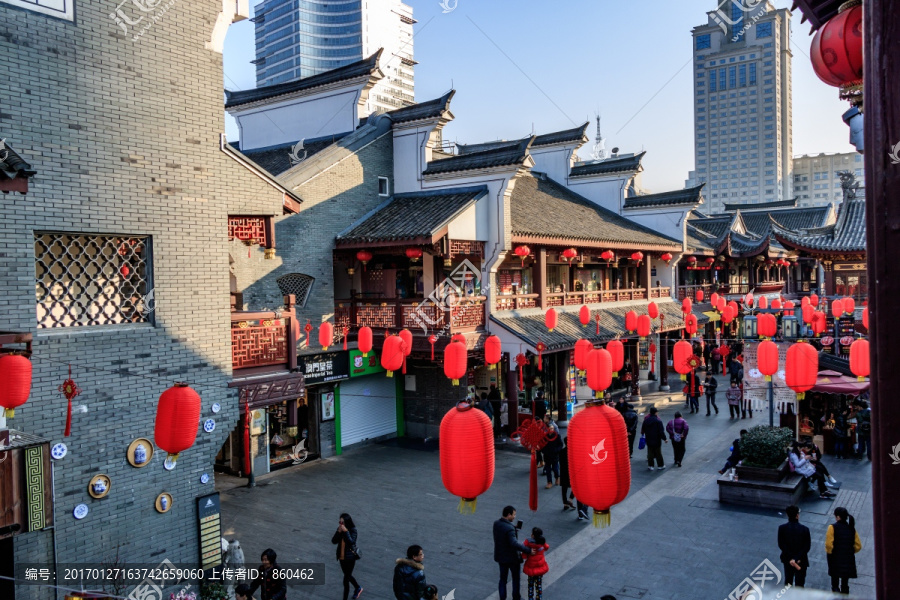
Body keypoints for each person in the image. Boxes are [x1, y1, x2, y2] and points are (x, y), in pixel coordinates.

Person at [494, 506, 534, 600]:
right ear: (509, 515)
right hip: (512, 558)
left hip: (501, 557)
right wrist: (528, 550)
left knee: (502, 579)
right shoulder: (509, 528)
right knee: (516, 579)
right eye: (514, 514)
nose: (514, 517)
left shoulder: (496, 524)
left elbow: (502, 534)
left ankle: (502, 598)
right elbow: (514, 543)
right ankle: (516, 597)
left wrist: (513, 528)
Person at [826, 507, 862, 595]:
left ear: (838, 517)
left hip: (835, 558)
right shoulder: (851, 529)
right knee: (845, 582)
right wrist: (850, 551)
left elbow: (829, 545)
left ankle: (836, 594)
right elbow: (858, 546)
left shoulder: (832, 527)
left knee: (835, 581)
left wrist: (830, 552)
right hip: (848, 558)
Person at [778, 505, 811, 588]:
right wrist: (796, 558)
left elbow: (782, 545)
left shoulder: (782, 528)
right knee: (800, 583)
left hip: (788, 560)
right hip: (801, 560)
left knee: (788, 581)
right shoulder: (805, 529)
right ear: (797, 515)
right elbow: (807, 547)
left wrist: (791, 558)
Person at [332, 513, 363, 600]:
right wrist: (339, 532)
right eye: (340, 522)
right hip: (341, 557)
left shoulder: (353, 530)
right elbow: (333, 541)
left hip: (350, 558)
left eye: (342, 523)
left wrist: (346, 532)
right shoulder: (340, 529)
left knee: (346, 581)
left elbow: (351, 542)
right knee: (347, 575)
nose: (340, 524)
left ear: (347, 522)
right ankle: (358, 587)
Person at [522, 527, 549, 600]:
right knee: (539, 585)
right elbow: (547, 547)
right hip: (540, 567)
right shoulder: (542, 542)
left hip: (531, 567)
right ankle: (539, 598)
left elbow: (524, 554)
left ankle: (530, 598)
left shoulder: (528, 542)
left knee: (530, 585)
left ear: (532, 535)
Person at [641, 406, 667, 471]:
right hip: (657, 439)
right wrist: (664, 439)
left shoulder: (646, 420)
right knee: (658, 453)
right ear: (656, 413)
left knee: (650, 453)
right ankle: (660, 465)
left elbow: (643, 429)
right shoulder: (658, 421)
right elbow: (661, 431)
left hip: (648, 438)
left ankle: (650, 465)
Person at [541, 413, 562, 489]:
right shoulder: (545, 437)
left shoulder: (557, 436)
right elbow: (542, 445)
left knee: (555, 469)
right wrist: (544, 451)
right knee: (548, 470)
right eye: (550, 429)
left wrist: (556, 450)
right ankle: (549, 482)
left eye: (552, 429)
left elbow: (560, 445)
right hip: (547, 456)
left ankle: (557, 478)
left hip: (555, 456)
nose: (551, 430)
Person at [557, 437, 576, 511]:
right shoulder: (573, 452)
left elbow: (560, 462)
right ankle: (570, 499)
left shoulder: (561, 451)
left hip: (564, 472)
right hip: (572, 472)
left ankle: (565, 503)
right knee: (575, 487)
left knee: (564, 489)